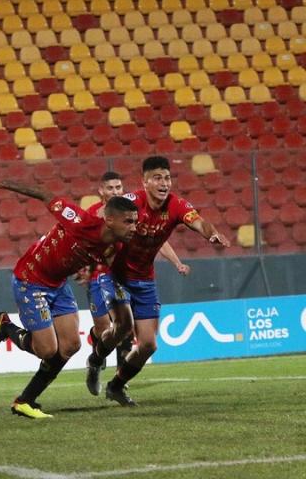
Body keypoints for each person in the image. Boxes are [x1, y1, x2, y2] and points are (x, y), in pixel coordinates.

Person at [0, 171, 138, 419]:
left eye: (135, 222)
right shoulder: (79, 221)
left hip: (58, 284)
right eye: (129, 222)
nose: (134, 228)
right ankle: (5, 326)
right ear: (110, 220)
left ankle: (25, 401)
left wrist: (89, 270)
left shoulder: (116, 246)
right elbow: (44, 193)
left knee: (71, 345)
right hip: (30, 279)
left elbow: (107, 265)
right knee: (48, 350)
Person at [89, 156, 229, 407]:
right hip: (117, 276)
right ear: (145, 182)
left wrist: (212, 234)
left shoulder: (176, 205)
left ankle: (116, 386)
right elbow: (103, 216)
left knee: (149, 345)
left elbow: (199, 222)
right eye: (157, 178)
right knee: (122, 327)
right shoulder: (132, 202)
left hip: (144, 280)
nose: (164, 183)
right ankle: (96, 359)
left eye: (167, 177)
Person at [81, 172, 190, 396]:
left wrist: (177, 262)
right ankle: (96, 361)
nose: (115, 192)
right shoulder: (93, 214)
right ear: (101, 191)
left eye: (118, 187)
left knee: (126, 327)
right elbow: (81, 241)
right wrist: (82, 264)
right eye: (110, 188)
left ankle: (120, 377)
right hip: (98, 276)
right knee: (104, 330)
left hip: (124, 277)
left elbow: (157, 239)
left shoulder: (134, 214)